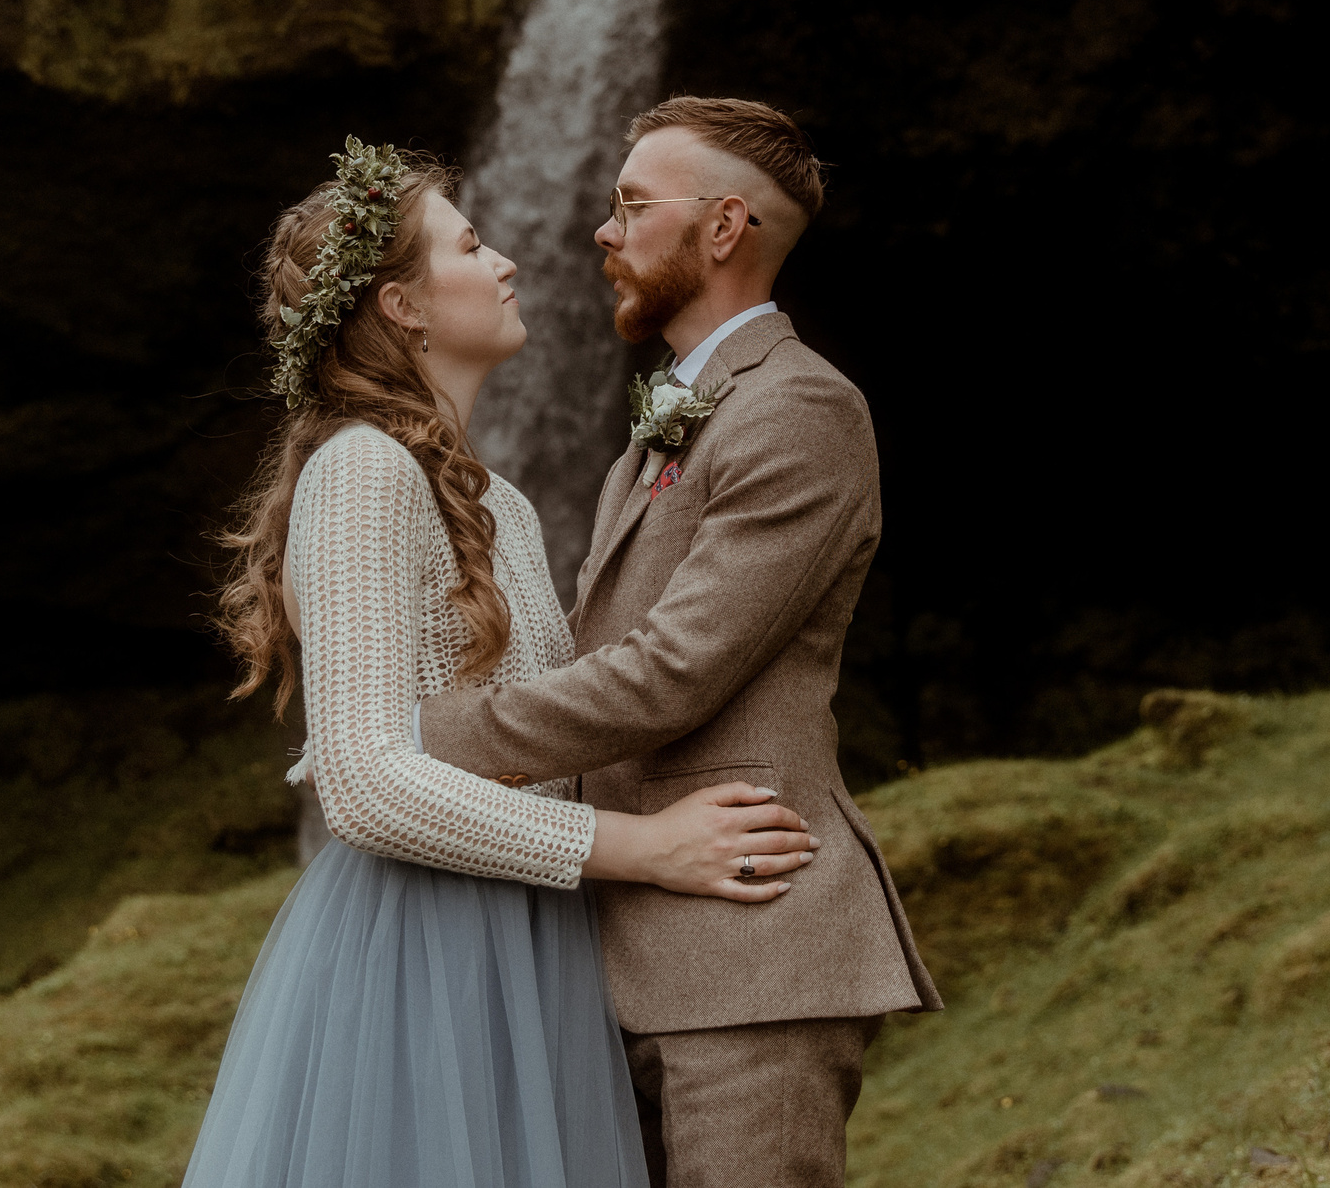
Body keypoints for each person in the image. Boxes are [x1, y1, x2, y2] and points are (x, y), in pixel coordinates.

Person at [184, 138, 820, 1188]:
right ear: (404, 308)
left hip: (529, 934)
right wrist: (645, 846)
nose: (508, 262)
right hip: (421, 949)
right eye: (472, 246)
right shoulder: (361, 471)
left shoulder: (497, 500)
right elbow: (364, 782)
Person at [417, 97, 941, 1188]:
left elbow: (673, 670)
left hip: (754, 954)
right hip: (632, 944)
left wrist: (423, 736)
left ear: (722, 230)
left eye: (631, 206)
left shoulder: (801, 408)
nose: (602, 234)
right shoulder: (669, 425)